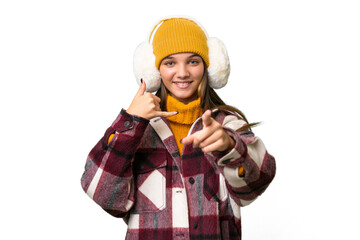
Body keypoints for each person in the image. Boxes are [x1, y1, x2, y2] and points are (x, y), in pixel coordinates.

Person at [81, 16, 276, 240]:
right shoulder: (137, 131)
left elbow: (257, 182)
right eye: (170, 62)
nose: (182, 73)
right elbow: (101, 193)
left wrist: (230, 147)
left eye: (193, 61)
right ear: (154, 70)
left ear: (209, 66)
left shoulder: (227, 125)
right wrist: (130, 122)